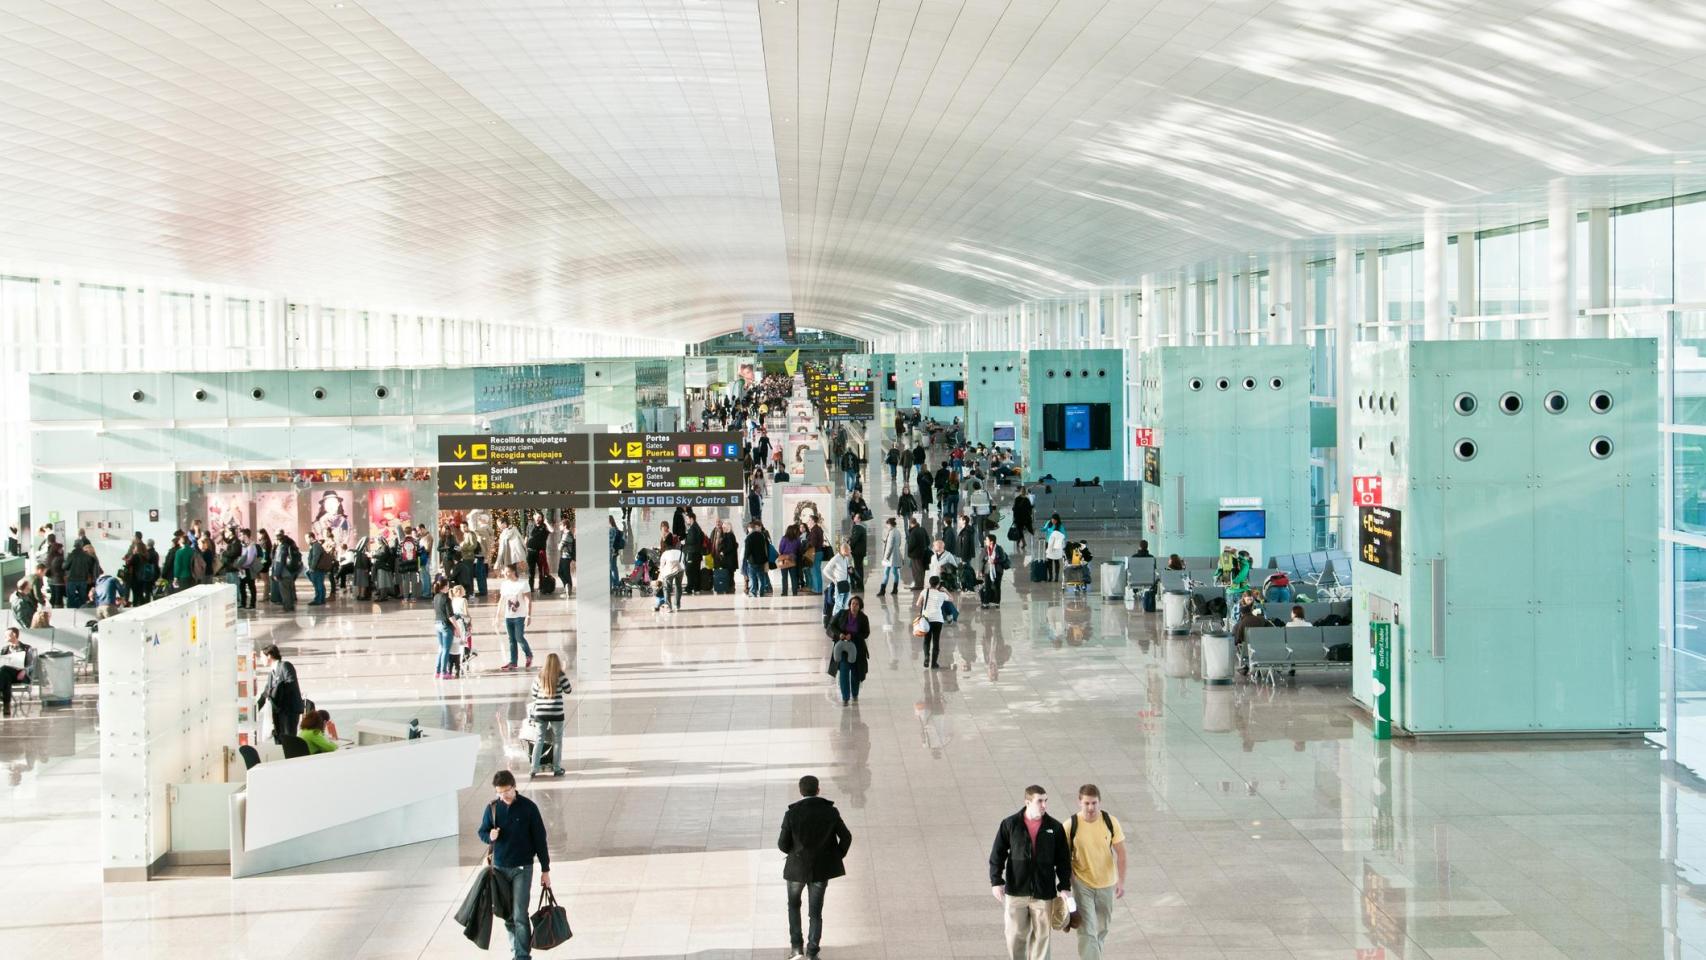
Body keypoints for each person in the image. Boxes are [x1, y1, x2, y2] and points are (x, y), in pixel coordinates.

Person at [989, 785, 1072, 960]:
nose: (1044, 805)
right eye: (1039, 801)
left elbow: (1063, 860)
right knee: (1014, 936)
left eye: (1045, 800)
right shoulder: (1010, 824)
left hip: (1044, 893)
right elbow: (997, 854)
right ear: (1027, 802)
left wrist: (1064, 887)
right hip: (1016, 891)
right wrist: (996, 881)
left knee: (1042, 938)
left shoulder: (1055, 828)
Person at [477, 770, 552, 960]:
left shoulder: (529, 808)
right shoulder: (492, 808)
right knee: (508, 915)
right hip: (499, 869)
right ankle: (516, 950)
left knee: (520, 913)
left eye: (507, 791)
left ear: (514, 787)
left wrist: (545, 870)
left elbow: (540, 840)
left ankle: (522, 956)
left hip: (522, 868)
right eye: (499, 792)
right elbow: (482, 832)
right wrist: (489, 836)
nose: (504, 796)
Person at [777, 774, 853, 960]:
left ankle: (796, 950)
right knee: (816, 912)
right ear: (818, 790)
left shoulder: (791, 814)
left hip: (796, 868)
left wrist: (793, 852)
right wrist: (834, 856)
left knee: (793, 906)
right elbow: (846, 837)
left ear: (800, 791)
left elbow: (782, 844)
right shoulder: (830, 812)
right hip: (821, 869)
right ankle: (812, 952)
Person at [1067, 785, 1126, 960]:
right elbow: (1063, 857)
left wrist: (1121, 882)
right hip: (1082, 884)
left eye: (1094, 803)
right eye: (1087, 803)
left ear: (1099, 802)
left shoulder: (1110, 822)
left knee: (1102, 929)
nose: (1091, 808)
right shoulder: (1071, 825)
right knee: (1086, 930)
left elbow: (1121, 854)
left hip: (1107, 883)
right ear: (1079, 802)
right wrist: (1071, 881)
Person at [528, 653, 571, 778]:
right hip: (556, 712)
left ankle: (534, 768)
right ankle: (557, 768)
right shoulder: (560, 675)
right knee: (557, 741)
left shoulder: (539, 676)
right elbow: (568, 690)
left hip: (540, 713)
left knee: (539, 740)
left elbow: (533, 695)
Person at [825, 595, 870, 704]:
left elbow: (866, 633)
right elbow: (831, 625)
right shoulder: (842, 614)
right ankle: (845, 697)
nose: (854, 606)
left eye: (857, 604)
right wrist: (839, 634)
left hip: (857, 648)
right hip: (842, 647)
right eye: (852, 604)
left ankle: (854, 693)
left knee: (855, 672)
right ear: (849, 605)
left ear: (860, 607)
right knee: (844, 671)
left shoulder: (863, 618)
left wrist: (853, 636)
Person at [255, 644, 303, 743]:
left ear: (269, 656)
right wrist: (254, 710)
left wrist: (275, 690)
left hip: (289, 711)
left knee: (289, 740)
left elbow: (291, 683)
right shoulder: (271, 674)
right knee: (280, 740)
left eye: (262, 657)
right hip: (278, 712)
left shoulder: (285, 665)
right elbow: (265, 694)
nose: (261, 660)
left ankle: (291, 758)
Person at [497, 565, 533, 671]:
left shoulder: (523, 584)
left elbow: (528, 600)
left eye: (507, 572)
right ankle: (513, 662)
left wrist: (528, 615)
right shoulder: (504, 585)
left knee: (519, 637)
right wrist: (497, 616)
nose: (505, 574)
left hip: (520, 616)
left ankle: (529, 654)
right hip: (508, 616)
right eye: (504, 572)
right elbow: (501, 601)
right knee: (511, 640)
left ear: (513, 572)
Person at [916, 575, 949, 669]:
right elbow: (951, 599)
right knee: (936, 641)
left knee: (926, 640)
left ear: (929, 583)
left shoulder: (925, 591)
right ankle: (934, 663)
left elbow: (918, 603)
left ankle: (926, 657)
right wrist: (946, 591)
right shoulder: (942, 594)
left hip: (926, 619)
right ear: (938, 584)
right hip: (938, 620)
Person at [1, 627, 30, 717]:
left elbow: (32, 664)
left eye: (7, 634)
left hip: (20, 675)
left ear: (14, 635)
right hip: (7, 676)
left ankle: (5, 704)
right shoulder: (4, 649)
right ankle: (7, 706)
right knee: (5, 676)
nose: (4, 636)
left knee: (3, 669)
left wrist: (24, 670)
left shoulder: (26, 648)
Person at [431, 578, 456, 679]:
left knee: (441, 648)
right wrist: (457, 627)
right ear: (445, 586)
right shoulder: (446, 598)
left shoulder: (436, 597)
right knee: (446, 649)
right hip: (446, 625)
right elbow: (450, 615)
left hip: (437, 624)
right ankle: (444, 672)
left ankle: (437, 671)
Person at [65, 540, 99, 609]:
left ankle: (71, 612)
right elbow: (92, 568)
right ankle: (83, 612)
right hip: (84, 580)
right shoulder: (89, 557)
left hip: (72, 579)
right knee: (83, 598)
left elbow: (65, 567)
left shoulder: (71, 555)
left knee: (71, 598)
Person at [743, 520, 772, 597]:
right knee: (761, 577)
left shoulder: (749, 538)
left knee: (753, 577)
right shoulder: (761, 536)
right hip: (761, 560)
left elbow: (747, 550)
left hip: (752, 561)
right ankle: (762, 592)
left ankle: (753, 592)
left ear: (750, 528)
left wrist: (745, 558)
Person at [980, 533, 1010, 608]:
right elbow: (981, 559)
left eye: (986, 540)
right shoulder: (985, 549)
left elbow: (1003, 558)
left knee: (997, 586)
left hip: (997, 570)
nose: (985, 541)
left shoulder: (999, 548)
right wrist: (980, 570)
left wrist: (995, 561)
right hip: (987, 570)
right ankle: (986, 603)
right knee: (987, 586)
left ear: (991, 541)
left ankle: (997, 602)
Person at [655, 539, 684, 612]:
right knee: (678, 586)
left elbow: (661, 567)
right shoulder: (680, 552)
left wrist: (660, 578)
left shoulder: (665, 553)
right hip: (680, 570)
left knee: (667, 588)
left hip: (669, 571)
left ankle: (668, 606)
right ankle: (677, 606)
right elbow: (683, 561)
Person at [877, 517, 902, 598]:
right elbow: (898, 543)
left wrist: (886, 557)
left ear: (890, 524)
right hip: (896, 555)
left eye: (887, 525)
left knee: (886, 573)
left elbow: (890, 546)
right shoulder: (897, 532)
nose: (887, 527)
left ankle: (882, 590)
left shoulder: (891, 532)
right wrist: (886, 541)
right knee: (895, 572)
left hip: (890, 557)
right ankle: (895, 589)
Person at [525, 512, 550, 592]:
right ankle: (530, 587)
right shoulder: (530, 525)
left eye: (540, 517)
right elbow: (527, 536)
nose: (538, 518)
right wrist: (525, 547)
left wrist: (546, 523)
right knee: (530, 571)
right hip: (530, 551)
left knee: (541, 570)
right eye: (537, 516)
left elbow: (552, 530)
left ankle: (541, 587)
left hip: (540, 552)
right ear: (534, 516)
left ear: (542, 518)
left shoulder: (544, 526)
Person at [905, 516, 931, 592]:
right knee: (921, 569)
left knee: (916, 570)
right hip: (922, 553)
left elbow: (911, 545)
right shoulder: (922, 529)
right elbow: (928, 541)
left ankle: (918, 585)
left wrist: (909, 552)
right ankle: (920, 584)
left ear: (910, 524)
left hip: (915, 555)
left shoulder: (913, 532)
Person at [556, 517, 575, 595]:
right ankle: (567, 587)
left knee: (565, 573)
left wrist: (558, 545)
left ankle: (568, 589)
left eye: (561, 525)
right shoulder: (567, 534)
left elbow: (559, 547)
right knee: (561, 573)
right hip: (564, 556)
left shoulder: (566, 535)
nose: (559, 527)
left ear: (565, 526)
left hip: (566, 557)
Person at [607, 514, 625, 588]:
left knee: (611, 568)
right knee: (613, 567)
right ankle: (616, 584)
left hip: (611, 551)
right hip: (614, 551)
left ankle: (613, 584)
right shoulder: (615, 529)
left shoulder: (611, 529)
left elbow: (610, 541)